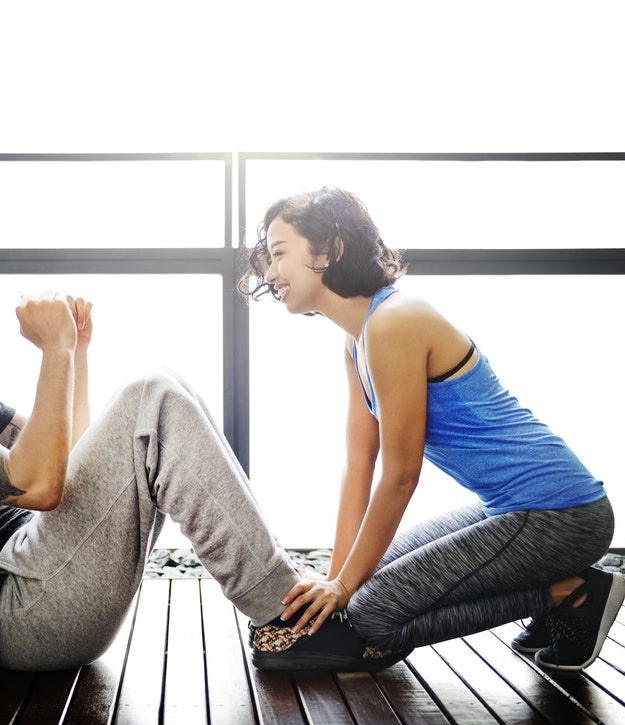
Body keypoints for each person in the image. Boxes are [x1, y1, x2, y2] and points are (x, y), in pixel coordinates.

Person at [0, 225, 408, 675]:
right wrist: (52, 355)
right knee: (150, 395)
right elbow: (39, 488)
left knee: (163, 388)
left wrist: (73, 351)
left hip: (35, 580)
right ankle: (287, 618)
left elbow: (67, 459)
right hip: (15, 615)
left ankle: (287, 601)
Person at [239, 185, 624, 672]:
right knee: (360, 581)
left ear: (330, 250)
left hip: (561, 515)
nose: (269, 273)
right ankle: (561, 593)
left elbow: (402, 474)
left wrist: (345, 589)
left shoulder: (394, 322)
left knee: (374, 615)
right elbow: (360, 464)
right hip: (510, 510)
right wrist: (337, 581)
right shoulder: (357, 340)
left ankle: (570, 592)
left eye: (278, 254)